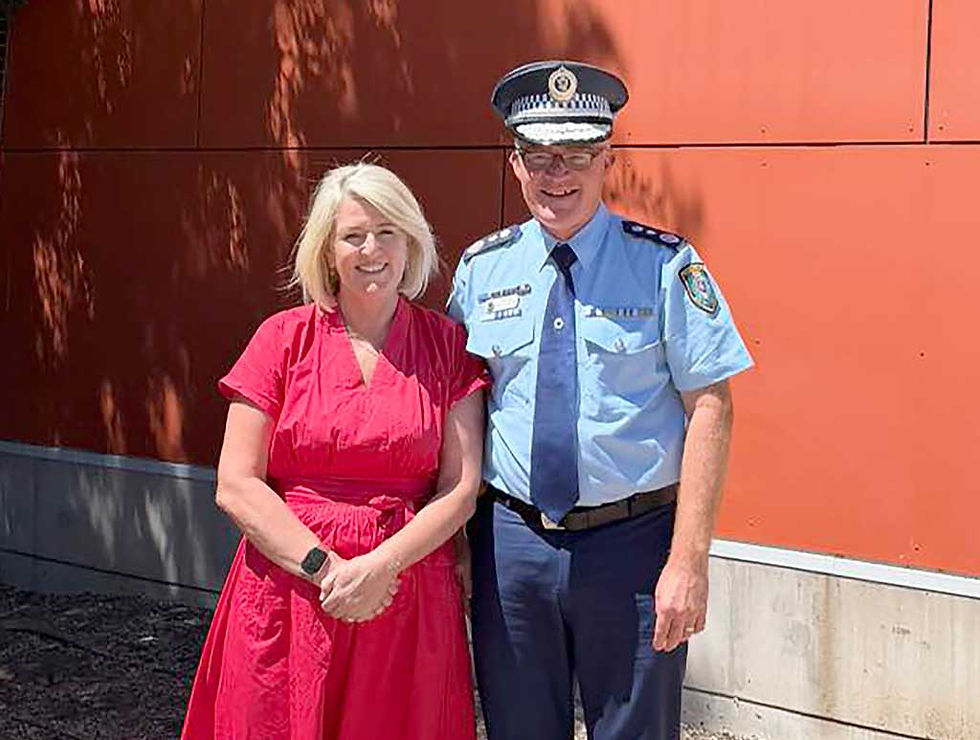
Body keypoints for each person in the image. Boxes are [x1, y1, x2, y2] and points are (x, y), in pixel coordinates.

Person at [447, 61, 754, 740]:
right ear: (516, 164)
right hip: (511, 547)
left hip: (635, 548)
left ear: (606, 159)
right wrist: (453, 540)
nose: (558, 175)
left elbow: (712, 406)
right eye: (540, 156)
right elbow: (458, 411)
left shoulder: (665, 265)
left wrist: (689, 560)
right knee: (518, 728)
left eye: (577, 155)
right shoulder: (479, 270)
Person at [182, 163, 489, 740]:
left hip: (405, 592)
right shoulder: (281, 339)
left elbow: (459, 489)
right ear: (327, 249)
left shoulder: (448, 346)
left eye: (387, 232)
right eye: (353, 235)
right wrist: (329, 569)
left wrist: (379, 568)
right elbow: (236, 483)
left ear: (411, 243)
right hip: (290, 588)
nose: (371, 250)